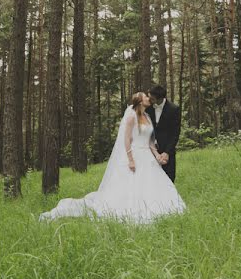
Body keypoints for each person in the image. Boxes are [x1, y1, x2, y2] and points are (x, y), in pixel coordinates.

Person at [38, 92, 186, 224]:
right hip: (135, 155)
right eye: (145, 96)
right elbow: (126, 139)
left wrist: (158, 155)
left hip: (148, 156)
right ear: (140, 101)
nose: (148, 98)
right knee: (132, 184)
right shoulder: (131, 117)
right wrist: (131, 159)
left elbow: (150, 141)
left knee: (153, 183)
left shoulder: (147, 116)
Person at [145, 84, 181, 182]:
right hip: (150, 150)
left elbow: (175, 133)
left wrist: (167, 152)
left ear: (160, 98)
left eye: (151, 98)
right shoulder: (147, 108)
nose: (149, 100)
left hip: (167, 150)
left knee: (169, 179)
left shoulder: (174, 109)